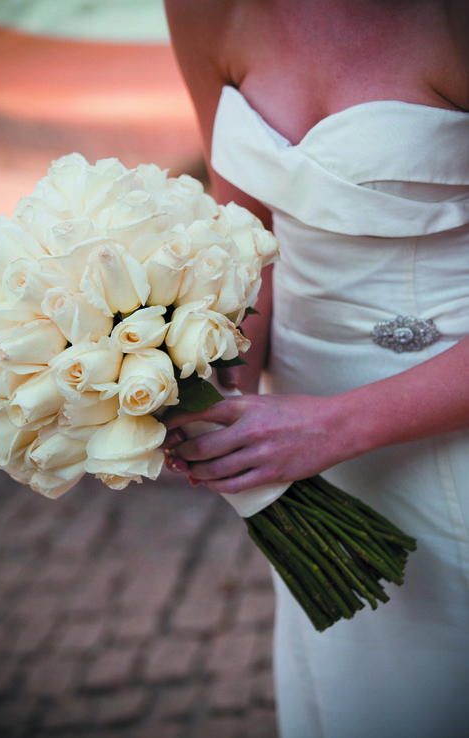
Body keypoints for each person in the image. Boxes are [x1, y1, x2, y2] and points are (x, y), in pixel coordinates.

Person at [162, 1, 469, 736]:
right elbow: (243, 225)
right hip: (303, 435)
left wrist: (331, 428)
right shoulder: (201, 8)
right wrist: (222, 381)